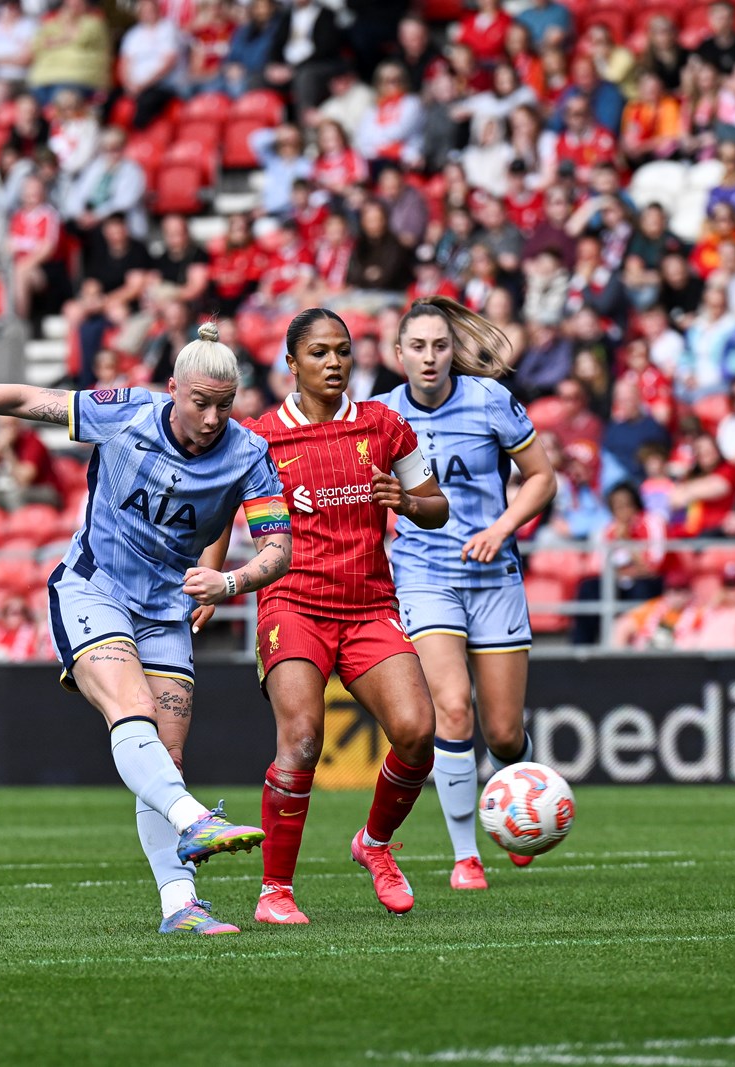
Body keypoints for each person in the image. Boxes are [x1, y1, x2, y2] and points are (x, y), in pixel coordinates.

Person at [0, 324, 293, 936]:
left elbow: (278, 550)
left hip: (165, 610)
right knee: (132, 709)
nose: (212, 419)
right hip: (94, 589)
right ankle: (196, 821)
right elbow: (24, 398)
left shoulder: (249, 454)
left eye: (224, 406)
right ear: (172, 389)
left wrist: (229, 582)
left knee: (167, 759)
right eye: (200, 403)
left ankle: (181, 906)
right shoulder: (125, 412)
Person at [192, 307, 448, 924]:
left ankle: (375, 844)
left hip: (369, 605)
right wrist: (209, 583)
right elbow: (220, 515)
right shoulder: (258, 438)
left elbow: (437, 507)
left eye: (342, 351)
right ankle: (274, 892)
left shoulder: (386, 426)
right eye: (319, 353)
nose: (334, 363)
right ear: (292, 363)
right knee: (303, 738)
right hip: (292, 601)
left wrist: (408, 503)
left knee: (417, 732)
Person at [377, 299, 557, 891]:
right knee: (452, 708)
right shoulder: (381, 416)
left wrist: (500, 529)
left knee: (503, 732)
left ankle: (519, 804)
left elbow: (542, 478)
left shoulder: (488, 400)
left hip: (494, 576)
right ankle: (465, 855)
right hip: (424, 575)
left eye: (440, 345)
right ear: (399, 354)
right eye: (418, 347)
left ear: (454, 350)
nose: (430, 357)